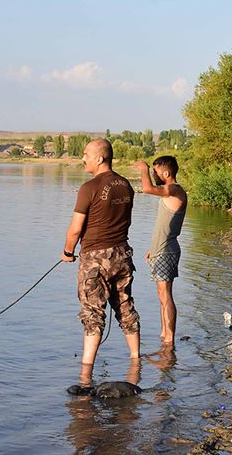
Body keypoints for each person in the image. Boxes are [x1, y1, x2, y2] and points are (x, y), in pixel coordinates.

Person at [61, 139, 140, 373]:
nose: (83, 158)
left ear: (100, 158)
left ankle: (86, 372)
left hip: (95, 258)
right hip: (123, 254)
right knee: (125, 306)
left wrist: (67, 251)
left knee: (92, 313)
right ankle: (136, 360)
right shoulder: (125, 185)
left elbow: (75, 229)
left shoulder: (89, 187)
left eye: (86, 154)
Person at [134, 156, 187, 345]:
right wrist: (153, 248)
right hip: (160, 250)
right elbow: (163, 225)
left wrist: (143, 169)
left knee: (166, 295)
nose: (154, 174)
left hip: (167, 250)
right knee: (161, 295)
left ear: (166, 173)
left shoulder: (174, 189)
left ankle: (169, 338)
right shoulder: (170, 192)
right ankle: (164, 334)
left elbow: (147, 189)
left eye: (156, 171)